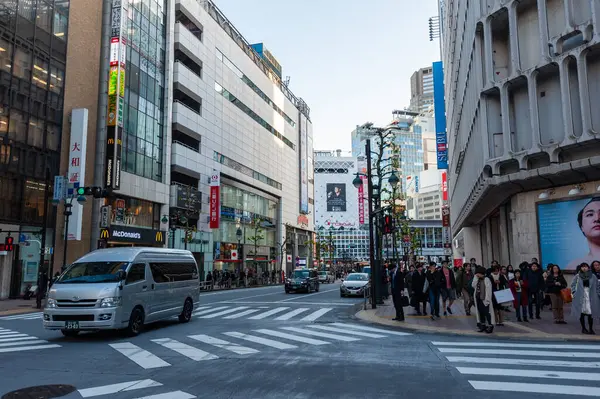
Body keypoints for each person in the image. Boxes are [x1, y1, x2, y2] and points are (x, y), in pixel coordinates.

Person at [571, 262, 600, 334]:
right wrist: (574, 292)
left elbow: (597, 286)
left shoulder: (593, 276)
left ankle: (591, 328)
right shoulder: (577, 276)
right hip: (580, 295)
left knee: (591, 313)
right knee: (581, 313)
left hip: (591, 295)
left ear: (588, 267)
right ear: (580, 268)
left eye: (586, 266)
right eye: (582, 267)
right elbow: (573, 285)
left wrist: (598, 293)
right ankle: (583, 328)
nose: (584, 268)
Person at [472, 266, 494, 333]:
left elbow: (489, 290)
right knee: (480, 313)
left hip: (484, 299)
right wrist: (475, 278)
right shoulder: (477, 279)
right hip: (478, 299)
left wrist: (487, 300)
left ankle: (490, 326)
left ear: (481, 273)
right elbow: (473, 285)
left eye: (477, 273)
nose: (476, 274)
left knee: (487, 313)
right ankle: (483, 326)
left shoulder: (486, 279)